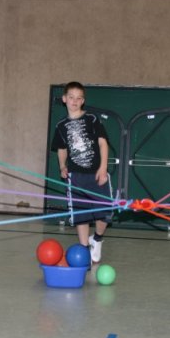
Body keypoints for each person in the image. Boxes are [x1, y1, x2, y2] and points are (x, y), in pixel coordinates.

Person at [51, 81, 113, 265]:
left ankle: (98, 239)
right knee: (81, 214)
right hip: (76, 177)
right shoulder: (61, 126)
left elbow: (103, 143)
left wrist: (103, 168)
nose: (75, 101)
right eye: (71, 97)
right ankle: (84, 249)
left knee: (105, 213)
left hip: (97, 174)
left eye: (79, 98)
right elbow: (61, 149)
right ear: (64, 99)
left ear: (83, 101)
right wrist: (62, 166)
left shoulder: (91, 119)